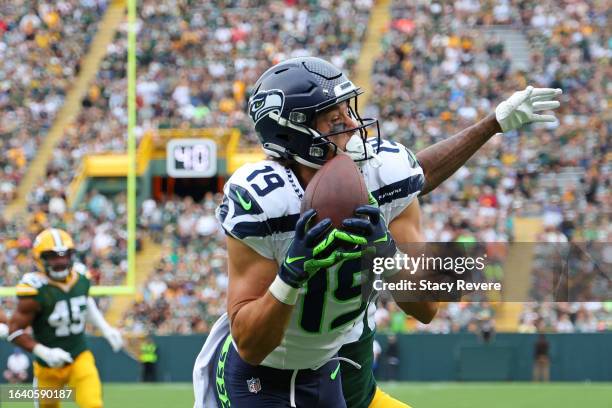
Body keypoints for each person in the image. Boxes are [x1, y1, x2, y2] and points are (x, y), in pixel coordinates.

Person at [192, 57, 562, 408]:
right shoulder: (263, 199)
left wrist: (388, 255)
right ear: (291, 131)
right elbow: (251, 346)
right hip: (261, 377)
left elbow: (427, 307)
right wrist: (291, 274)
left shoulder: (383, 174)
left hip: (325, 368)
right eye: (333, 119)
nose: (353, 125)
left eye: (349, 111)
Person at [7, 228, 124, 408]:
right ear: (40, 258)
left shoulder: (81, 277)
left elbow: (84, 301)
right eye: (53, 256)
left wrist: (106, 329)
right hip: (48, 367)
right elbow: (14, 332)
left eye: (64, 255)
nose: (61, 261)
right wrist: (45, 352)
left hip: (79, 356)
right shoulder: (34, 289)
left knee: (93, 404)